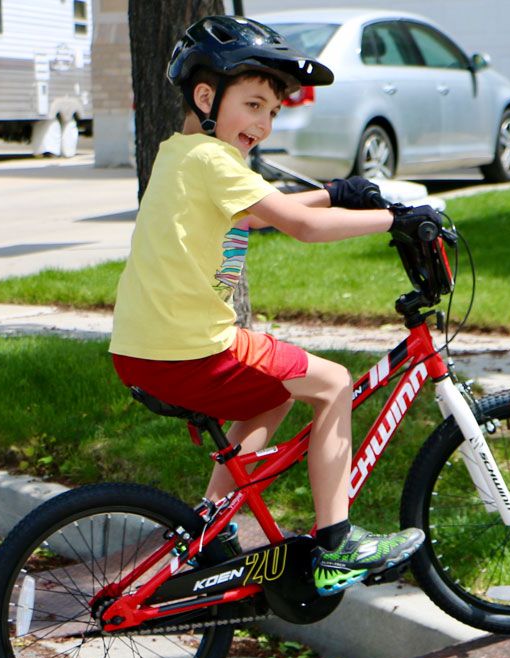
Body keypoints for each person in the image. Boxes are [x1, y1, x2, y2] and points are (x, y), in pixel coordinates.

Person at [109, 16, 441, 595]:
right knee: (333, 382)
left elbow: (255, 211)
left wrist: (335, 192)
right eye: (254, 104)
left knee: (274, 392)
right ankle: (338, 545)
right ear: (207, 97)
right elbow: (303, 228)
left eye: (272, 112)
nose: (262, 124)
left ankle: (210, 530)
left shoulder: (181, 155)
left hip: (146, 348)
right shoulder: (215, 162)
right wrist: (398, 218)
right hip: (191, 348)